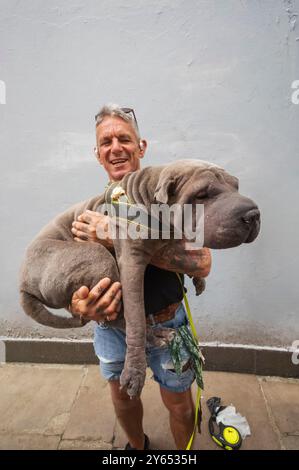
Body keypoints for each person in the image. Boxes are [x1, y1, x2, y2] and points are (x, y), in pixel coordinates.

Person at [69, 104, 211, 450]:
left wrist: (115, 233)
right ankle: (137, 448)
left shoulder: (173, 198)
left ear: (141, 147)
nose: (115, 148)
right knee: (123, 400)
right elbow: (75, 278)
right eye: (106, 142)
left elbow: (202, 262)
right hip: (112, 330)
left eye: (124, 139)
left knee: (179, 404)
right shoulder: (89, 211)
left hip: (168, 326)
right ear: (97, 154)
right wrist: (79, 305)